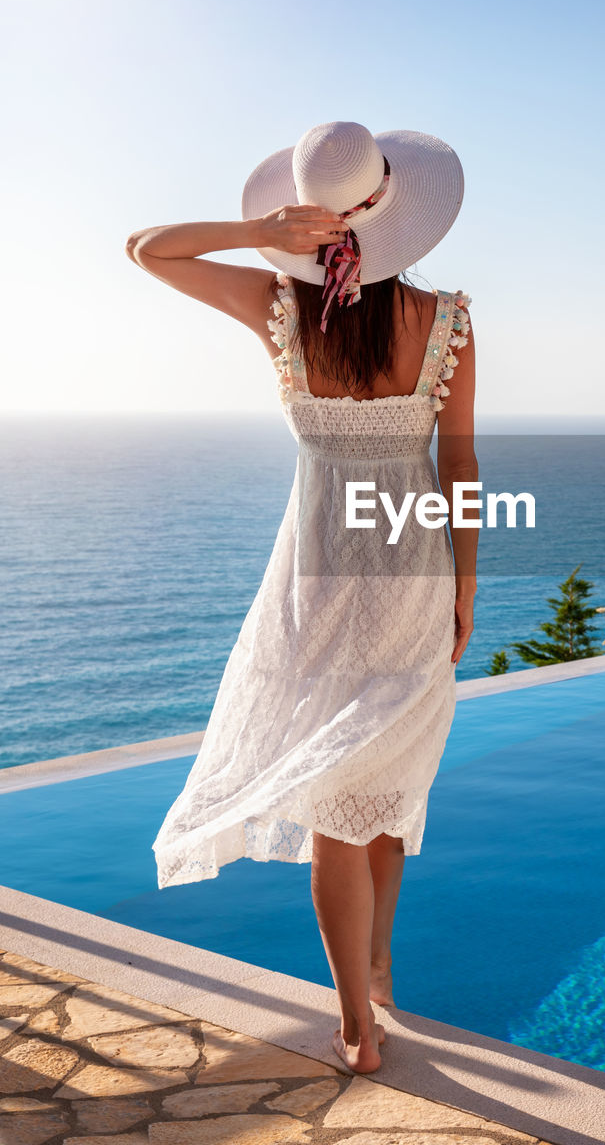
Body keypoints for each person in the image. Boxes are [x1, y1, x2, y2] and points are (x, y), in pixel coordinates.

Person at [126, 120, 477, 1074]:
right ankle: (380, 971)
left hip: (315, 574)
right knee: (386, 782)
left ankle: (357, 1024)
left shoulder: (275, 306)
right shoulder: (444, 319)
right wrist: (467, 585)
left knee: (337, 793)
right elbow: (460, 462)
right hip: (412, 569)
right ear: (398, 213)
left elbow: (146, 249)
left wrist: (266, 235)